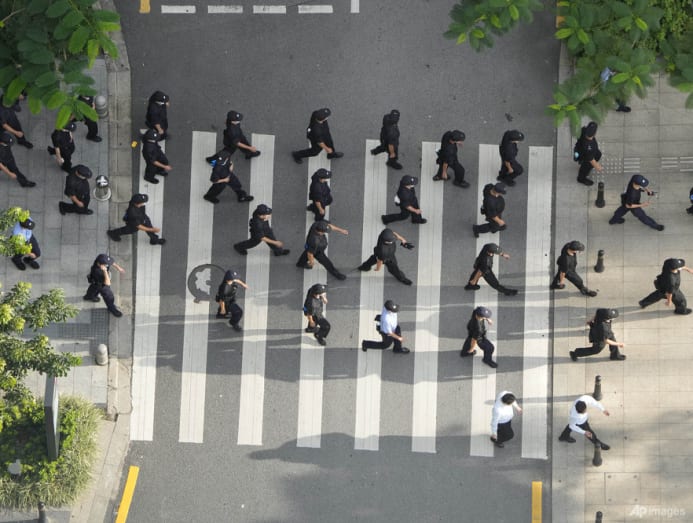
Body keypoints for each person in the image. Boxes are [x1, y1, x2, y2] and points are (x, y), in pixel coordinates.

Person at [573, 121, 602, 186]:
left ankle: (582, 163)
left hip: (580, 150)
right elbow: (591, 159)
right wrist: (597, 166)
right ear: (594, 134)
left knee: (598, 154)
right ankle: (581, 178)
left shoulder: (583, 130)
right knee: (586, 167)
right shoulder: (589, 147)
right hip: (585, 156)